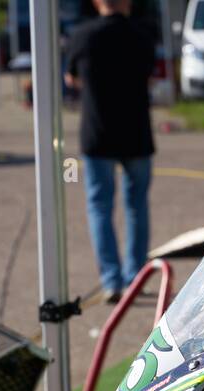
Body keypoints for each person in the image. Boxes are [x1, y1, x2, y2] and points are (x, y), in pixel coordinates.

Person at [64, 0, 155, 302]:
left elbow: (71, 78)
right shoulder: (142, 34)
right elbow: (150, 75)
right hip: (136, 132)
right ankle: (135, 276)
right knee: (136, 205)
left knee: (99, 205)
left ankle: (111, 280)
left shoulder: (82, 35)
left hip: (98, 132)